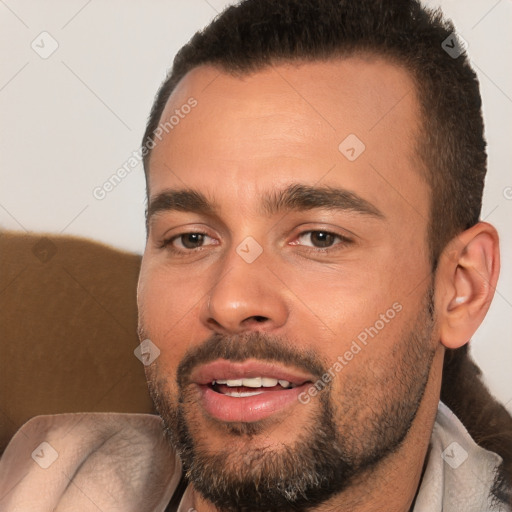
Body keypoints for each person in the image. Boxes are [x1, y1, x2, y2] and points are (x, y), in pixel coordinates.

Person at [0, 0, 511, 510]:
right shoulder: (42, 483)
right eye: (191, 239)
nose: (230, 300)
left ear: (461, 288)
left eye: (319, 238)